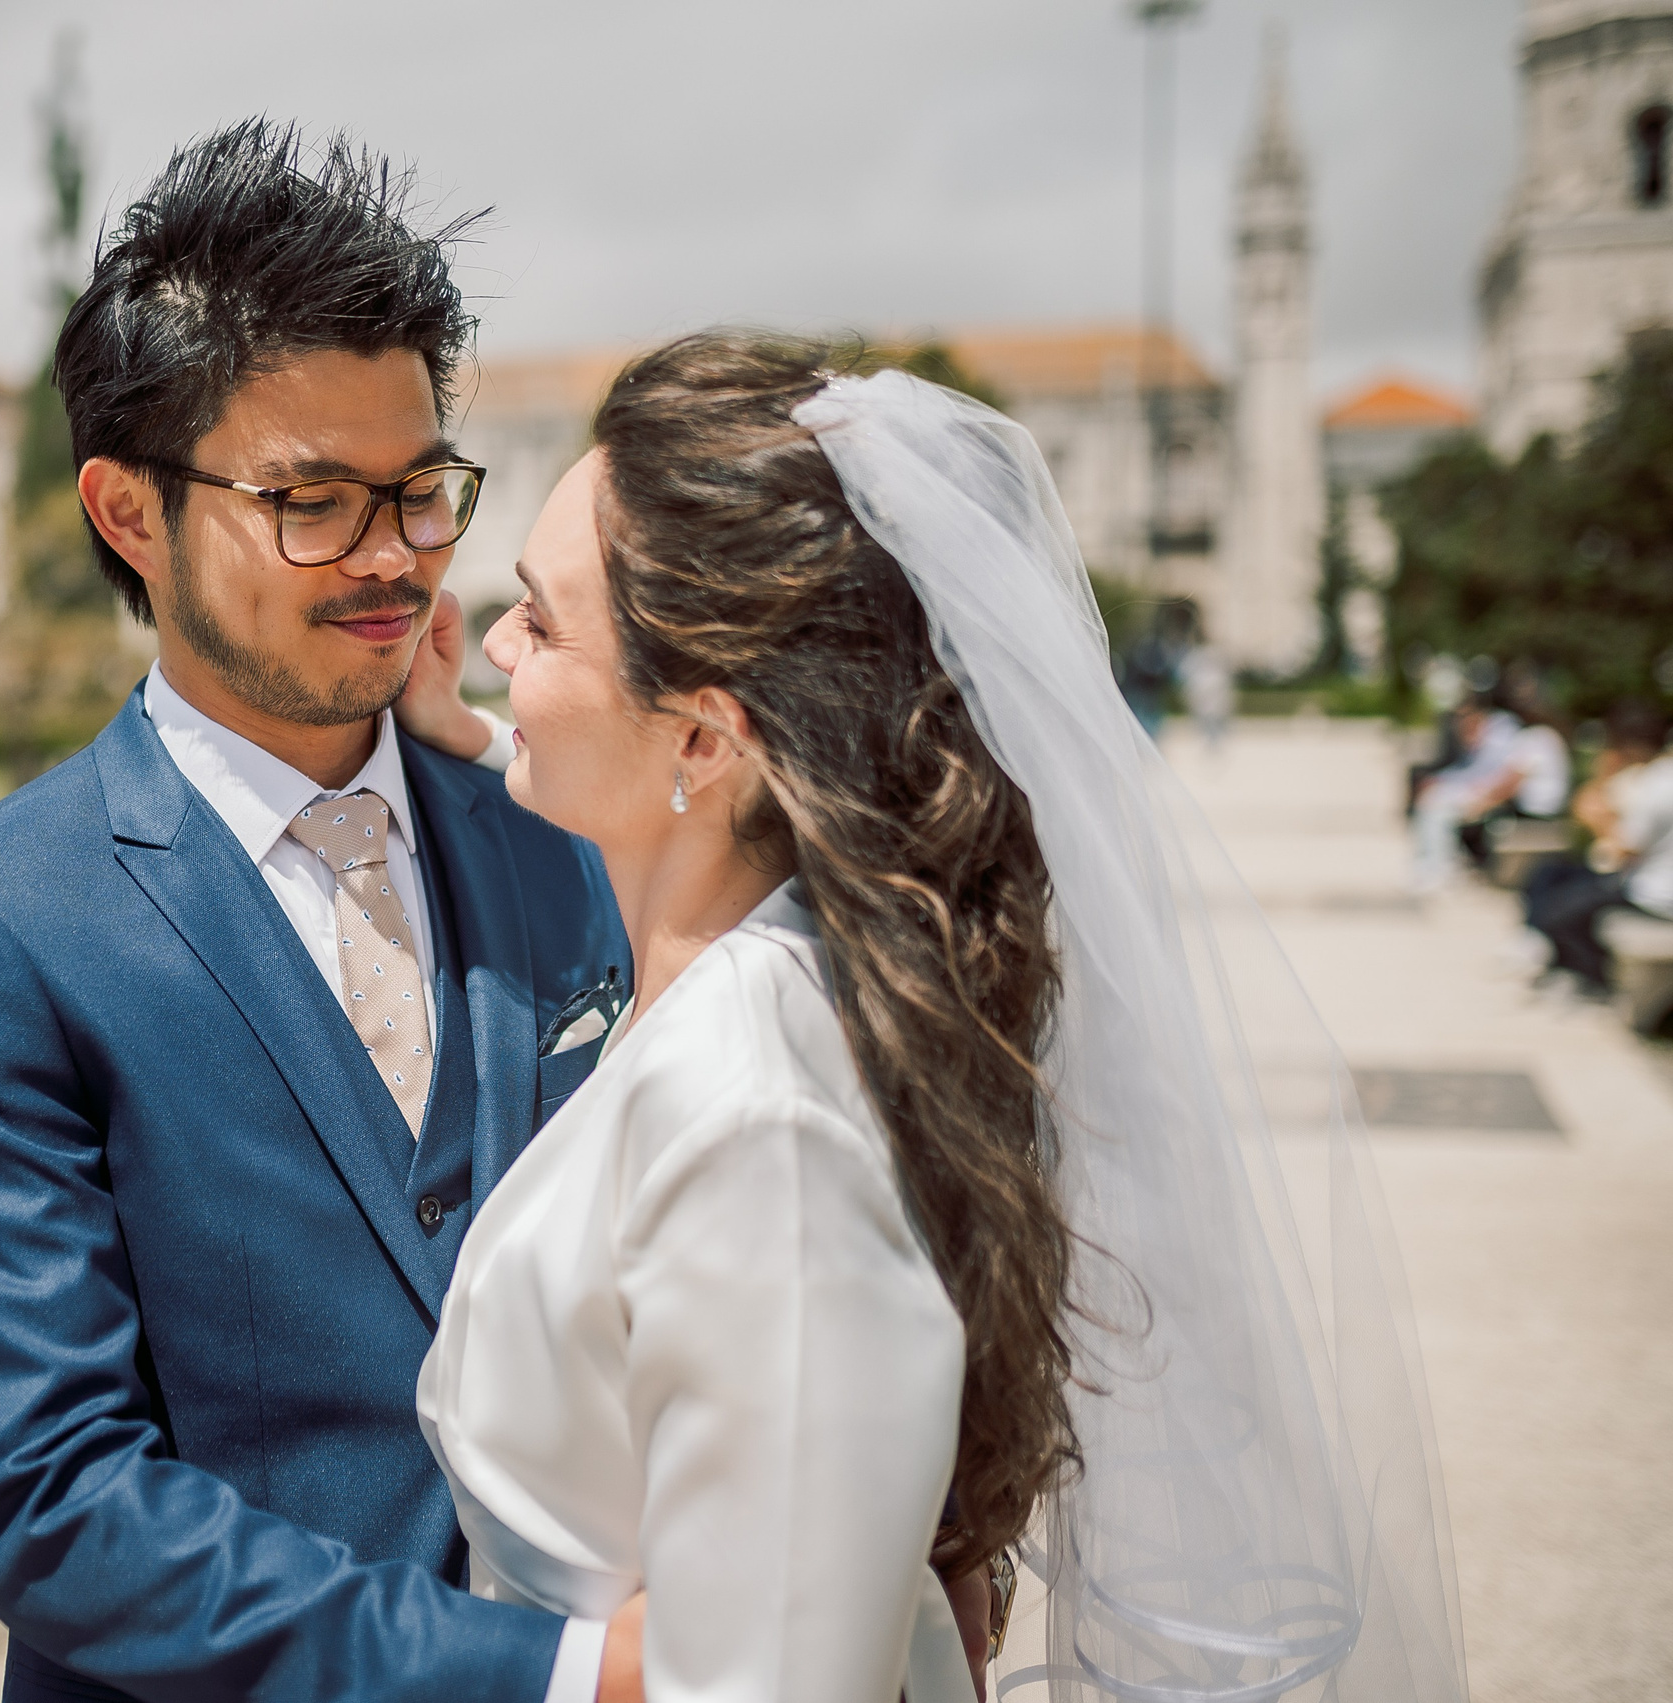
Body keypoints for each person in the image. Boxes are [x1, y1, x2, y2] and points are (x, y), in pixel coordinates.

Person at [397, 339, 1468, 1702]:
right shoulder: (812, 958)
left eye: (535, 623)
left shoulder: (756, 1112)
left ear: (708, 740)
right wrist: (495, 731)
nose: (484, 642)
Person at [0, 125, 639, 1703]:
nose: (397, 557)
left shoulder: (573, 843)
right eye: (315, 502)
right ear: (129, 513)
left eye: (422, 492)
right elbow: (54, 1501)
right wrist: (555, 1675)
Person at [1525, 701, 1673, 997]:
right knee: (1551, 877)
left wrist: (1596, 816)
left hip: (1654, 894)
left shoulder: (1657, 785)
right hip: (1645, 883)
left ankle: (1593, 979)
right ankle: (1552, 958)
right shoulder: (1656, 777)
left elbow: (1622, 850)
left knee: (1555, 913)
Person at [1408, 694, 1525, 891]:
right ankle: (1430, 862)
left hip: (1493, 794)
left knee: (1437, 807)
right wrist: (1441, 780)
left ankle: (1438, 866)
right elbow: (1471, 769)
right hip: (1481, 789)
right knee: (1432, 800)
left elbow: (1496, 774)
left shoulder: (1501, 733)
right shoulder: (1485, 732)